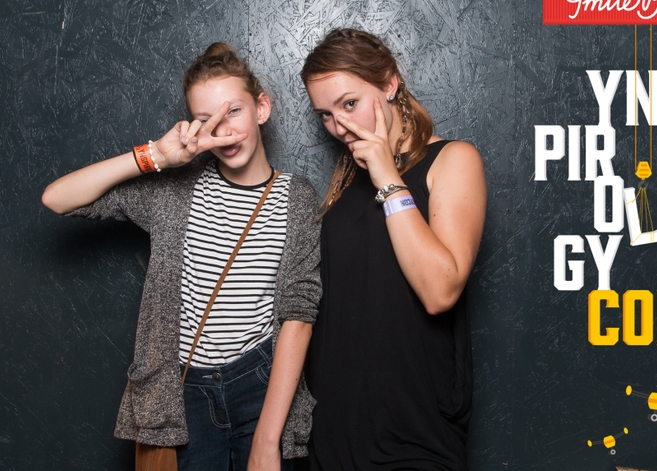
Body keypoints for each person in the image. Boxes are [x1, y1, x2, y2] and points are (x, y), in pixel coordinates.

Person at [42, 43, 321, 471]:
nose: (223, 130)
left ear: (261, 108)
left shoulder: (296, 197)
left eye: (234, 111)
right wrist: (156, 155)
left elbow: (298, 314)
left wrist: (268, 441)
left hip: (262, 383)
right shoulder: (176, 191)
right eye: (207, 120)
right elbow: (58, 198)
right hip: (186, 391)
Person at [300, 29, 486, 470]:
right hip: (334, 430)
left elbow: (440, 291)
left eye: (349, 104)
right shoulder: (344, 183)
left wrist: (386, 175)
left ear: (389, 83)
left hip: (414, 432)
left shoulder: (453, 160)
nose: (339, 126)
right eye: (325, 114)